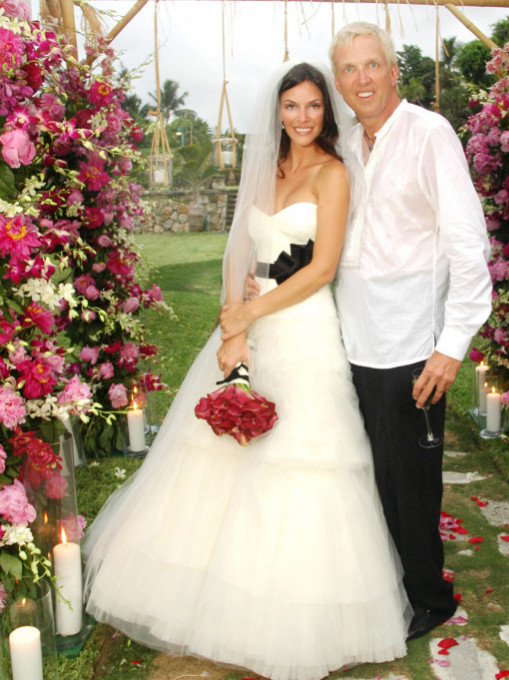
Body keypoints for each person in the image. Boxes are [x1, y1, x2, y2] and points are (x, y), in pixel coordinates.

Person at [82, 61, 410, 680]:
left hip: (302, 326)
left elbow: (322, 269)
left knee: (298, 457)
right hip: (247, 322)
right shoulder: (266, 169)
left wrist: (251, 312)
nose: (302, 117)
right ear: (277, 113)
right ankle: (201, 593)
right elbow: (240, 249)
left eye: (314, 105)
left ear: (327, 111)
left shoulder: (333, 173)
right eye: (292, 106)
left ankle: (287, 614)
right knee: (219, 453)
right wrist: (232, 328)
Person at [329, 22, 493, 641]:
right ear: (339, 80)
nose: (363, 79)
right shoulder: (345, 143)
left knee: (410, 484)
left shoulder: (429, 133)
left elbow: (468, 244)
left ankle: (429, 597)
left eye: (373, 64)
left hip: (412, 346)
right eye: (350, 69)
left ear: (394, 70)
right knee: (367, 477)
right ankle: (382, 588)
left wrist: (450, 348)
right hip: (351, 340)